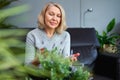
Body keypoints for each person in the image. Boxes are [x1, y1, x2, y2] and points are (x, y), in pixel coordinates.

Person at [25, 2, 78, 66]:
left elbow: (65, 66)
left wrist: (69, 60)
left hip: (57, 75)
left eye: (58, 16)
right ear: (43, 15)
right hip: (38, 74)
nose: (54, 19)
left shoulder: (65, 36)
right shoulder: (32, 35)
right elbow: (27, 66)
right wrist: (38, 60)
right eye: (51, 14)